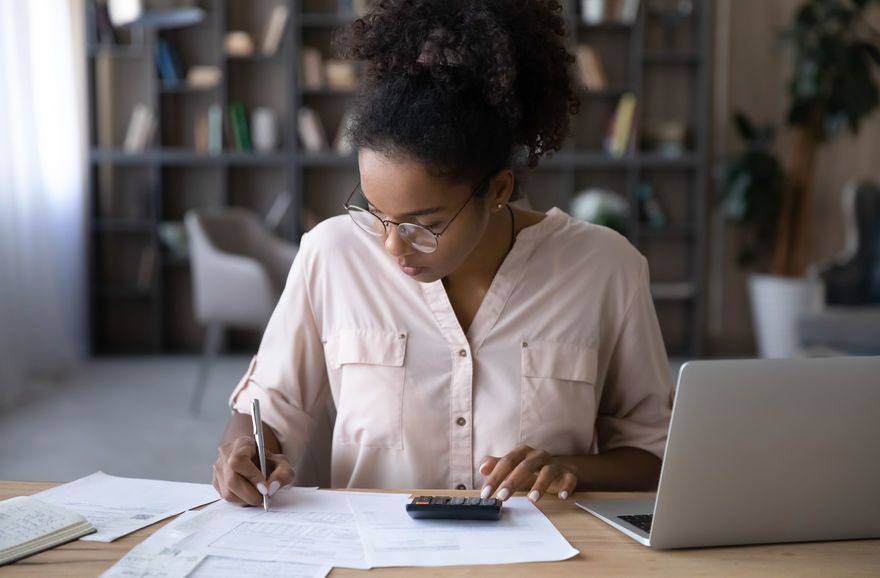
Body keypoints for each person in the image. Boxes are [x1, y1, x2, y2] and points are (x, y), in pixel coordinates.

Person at [212, 0, 673, 507]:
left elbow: (652, 453)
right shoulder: (332, 254)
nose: (392, 245)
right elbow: (269, 408)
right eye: (376, 212)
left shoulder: (605, 269)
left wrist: (570, 469)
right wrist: (243, 451)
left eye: (424, 225)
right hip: (375, 555)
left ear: (497, 190)